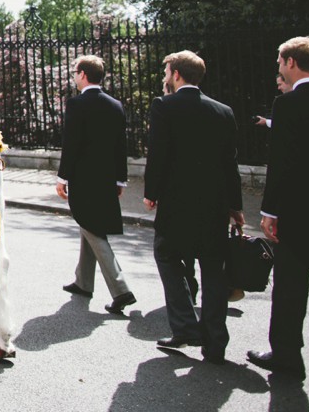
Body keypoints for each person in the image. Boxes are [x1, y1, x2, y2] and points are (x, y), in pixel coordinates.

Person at [144, 50, 244, 364]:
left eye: (166, 73)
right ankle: (215, 343)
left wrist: (151, 192)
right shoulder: (223, 111)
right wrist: (235, 206)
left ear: (176, 74)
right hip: (214, 205)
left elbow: (158, 153)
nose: (164, 79)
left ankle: (186, 326)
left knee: (167, 256)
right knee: (214, 269)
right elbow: (231, 163)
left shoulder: (164, 106)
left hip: (176, 203)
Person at [248, 36, 309, 379]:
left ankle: (287, 354)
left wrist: (270, 211)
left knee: (290, 286)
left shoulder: (288, 105)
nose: (277, 68)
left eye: (279, 62)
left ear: (291, 62)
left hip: (299, 211)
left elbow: (282, 163)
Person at [56, 55, 135, 314]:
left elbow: (72, 144)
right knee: (87, 224)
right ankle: (83, 281)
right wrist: (120, 179)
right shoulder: (115, 105)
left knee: (92, 227)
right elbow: (120, 147)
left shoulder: (77, 105)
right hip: (106, 178)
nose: (74, 76)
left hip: (84, 178)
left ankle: (121, 289)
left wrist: (62, 177)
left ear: (83, 75)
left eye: (75, 72)